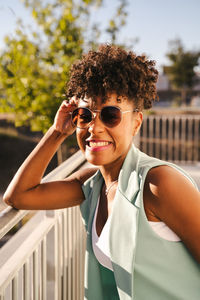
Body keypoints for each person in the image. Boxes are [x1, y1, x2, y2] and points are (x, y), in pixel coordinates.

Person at [3, 44, 200, 300]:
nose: (94, 128)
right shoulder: (92, 185)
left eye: (110, 114)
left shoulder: (158, 184)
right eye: (84, 115)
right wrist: (57, 133)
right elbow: (18, 197)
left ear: (136, 122)